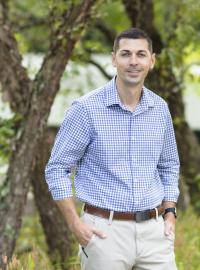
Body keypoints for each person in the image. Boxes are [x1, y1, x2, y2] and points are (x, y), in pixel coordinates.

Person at [45, 28, 179, 270]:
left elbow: (168, 164)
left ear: (152, 61)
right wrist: (75, 223)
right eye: (126, 54)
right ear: (114, 58)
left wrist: (170, 212)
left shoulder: (160, 109)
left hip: (154, 233)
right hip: (104, 233)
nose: (133, 62)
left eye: (141, 54)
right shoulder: (85, 109)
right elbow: (57, 169)